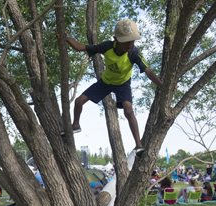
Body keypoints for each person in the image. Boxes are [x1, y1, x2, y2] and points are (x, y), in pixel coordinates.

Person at [65, 19, 162, 156]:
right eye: (127, 41)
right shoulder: (107, 46)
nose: (130, 44)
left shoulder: (134, 53)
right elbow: (81, 47)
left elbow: (148, 71)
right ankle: (75, 125)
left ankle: (138, 145)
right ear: (116, 39)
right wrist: (66, 37)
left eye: (133, 41)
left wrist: (162, 86)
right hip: (106, 82)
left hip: (123, 84)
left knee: (128, 111)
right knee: (79, 101)